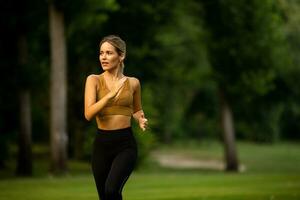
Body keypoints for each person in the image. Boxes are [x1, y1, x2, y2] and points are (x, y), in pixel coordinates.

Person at [84, 35, 148, 200]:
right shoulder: (94, 80)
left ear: (121, 56)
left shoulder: (133, 83)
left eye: (109, 53)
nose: (103, 57)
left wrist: (140, 119)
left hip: (125, 145)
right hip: (102, 145)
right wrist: (109, 97)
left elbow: (136, 109)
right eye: (101, 53)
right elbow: (88, 114)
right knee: (105, 196)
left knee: (112, 190)